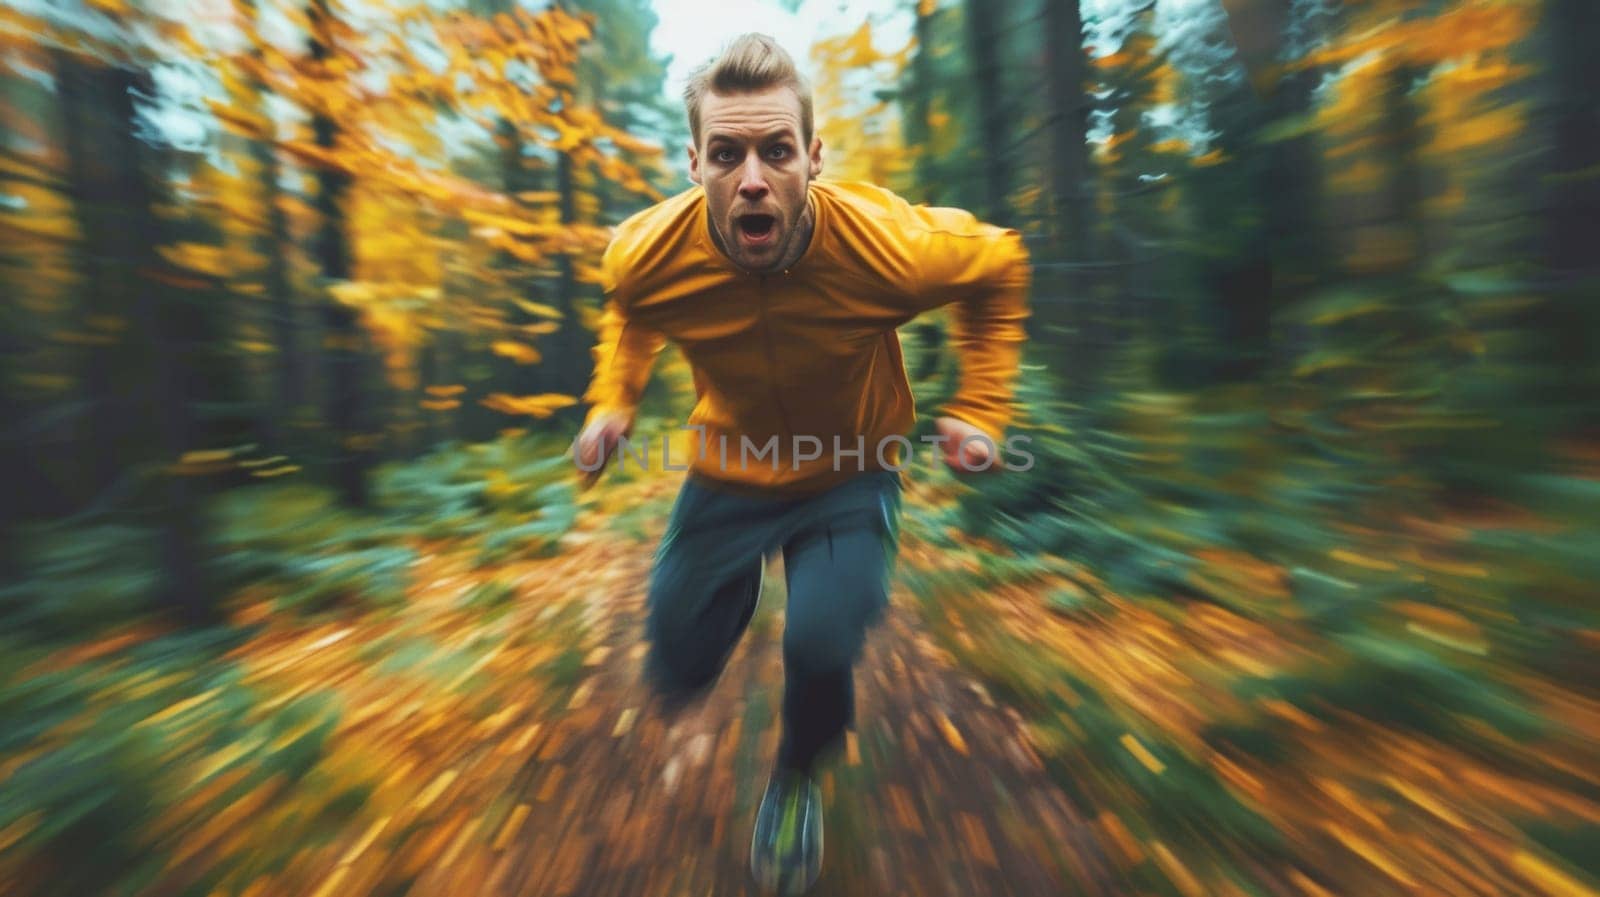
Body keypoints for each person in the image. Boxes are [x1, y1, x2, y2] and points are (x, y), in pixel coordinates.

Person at [573, 33, 1030, 895]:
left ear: (813, 159)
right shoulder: (645, 254)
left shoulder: (888, 246)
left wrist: (980, 409)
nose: (752, 179)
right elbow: (628, 312)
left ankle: (793, 780)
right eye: (727, 153)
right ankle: (732, 586)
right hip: (727, 471)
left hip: (848, 471)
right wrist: (613, 400)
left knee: (824, 637)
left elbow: (999, 264)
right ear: (694, 163)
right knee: (676, 658)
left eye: (776, 151)